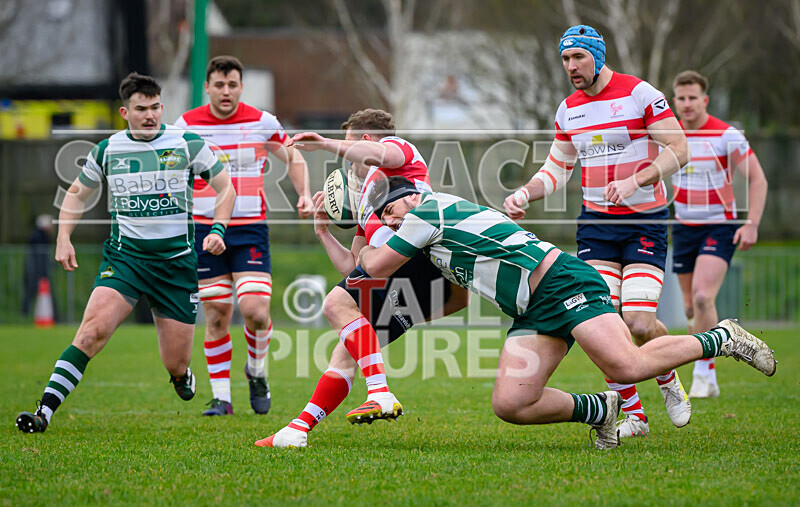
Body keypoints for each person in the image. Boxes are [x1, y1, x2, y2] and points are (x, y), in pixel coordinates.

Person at [361, 176, 775, 449]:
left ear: (409, 198)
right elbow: (457, 300)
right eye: (382, 220)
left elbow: (376, 266)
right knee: (511, 403)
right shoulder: (432, 238)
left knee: (626, 365)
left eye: (388, 215)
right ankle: (600, 409)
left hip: (562, 282)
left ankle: (723, 338)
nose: (388, 225)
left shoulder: (426, 211)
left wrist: (359, 236)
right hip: (531, 310)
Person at [15, 73, 235, 434]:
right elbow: (76, 195)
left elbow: (226, 188)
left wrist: (218, 229)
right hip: (125, 260)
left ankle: (180, 376)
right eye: (141, 109)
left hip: (176, 267)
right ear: (125, 112)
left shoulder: (187, 144)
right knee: (91, 334)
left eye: (155, 108)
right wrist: (63, 237)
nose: (150, 115)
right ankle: (43, 413)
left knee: (176, 362)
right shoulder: (108, 150)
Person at [504, 25, 691, 438]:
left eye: (579, 58)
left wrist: (637, 179)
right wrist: (524, 193)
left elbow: (680, 149)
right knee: (600, 325)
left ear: (598, 57)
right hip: (596, 228)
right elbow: (556, 169)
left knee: (639, 323)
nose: (571, 66)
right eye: (565, 59)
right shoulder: (568, 109)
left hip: (643, 222)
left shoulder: (639, 93)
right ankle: (635, 416)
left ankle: (668, 379)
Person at [254, 109, 468, 448]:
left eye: (350, 144)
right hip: (399, 276)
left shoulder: (400, 154)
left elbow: (380, 153)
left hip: (419, 259)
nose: (347, 158)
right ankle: (297, 431)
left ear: (364, 140)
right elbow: (354, 267)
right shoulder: (371, 200)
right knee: (347, 349)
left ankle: (380, 392)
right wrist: (323, 233)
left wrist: (325, 143)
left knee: (335, 303)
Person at [175, 55, 313, 416]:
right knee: (217, 314)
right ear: (207, 87)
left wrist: (304, 194)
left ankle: (256, 370)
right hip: (204, 230)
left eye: (232, 85)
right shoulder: (186, 126)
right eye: (219, 85)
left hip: (250, 228)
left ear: (241, 87)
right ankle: (222, 398)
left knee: (255, 311)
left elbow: (293, 158)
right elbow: (168, 169)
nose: (226, 91)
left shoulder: (261, 122)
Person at [670, 70, 768, 398]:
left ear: (705, 100)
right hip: (683, 227)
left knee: (703, 297)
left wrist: (752, 223)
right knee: (689, 308)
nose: (687, 104)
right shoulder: (669, 135)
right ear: (674, 100)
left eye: (692, 98)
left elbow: (758, 179)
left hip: (719, 225)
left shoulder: (726, 135)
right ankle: (707, 367)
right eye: (681, 98)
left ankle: (704, 372)